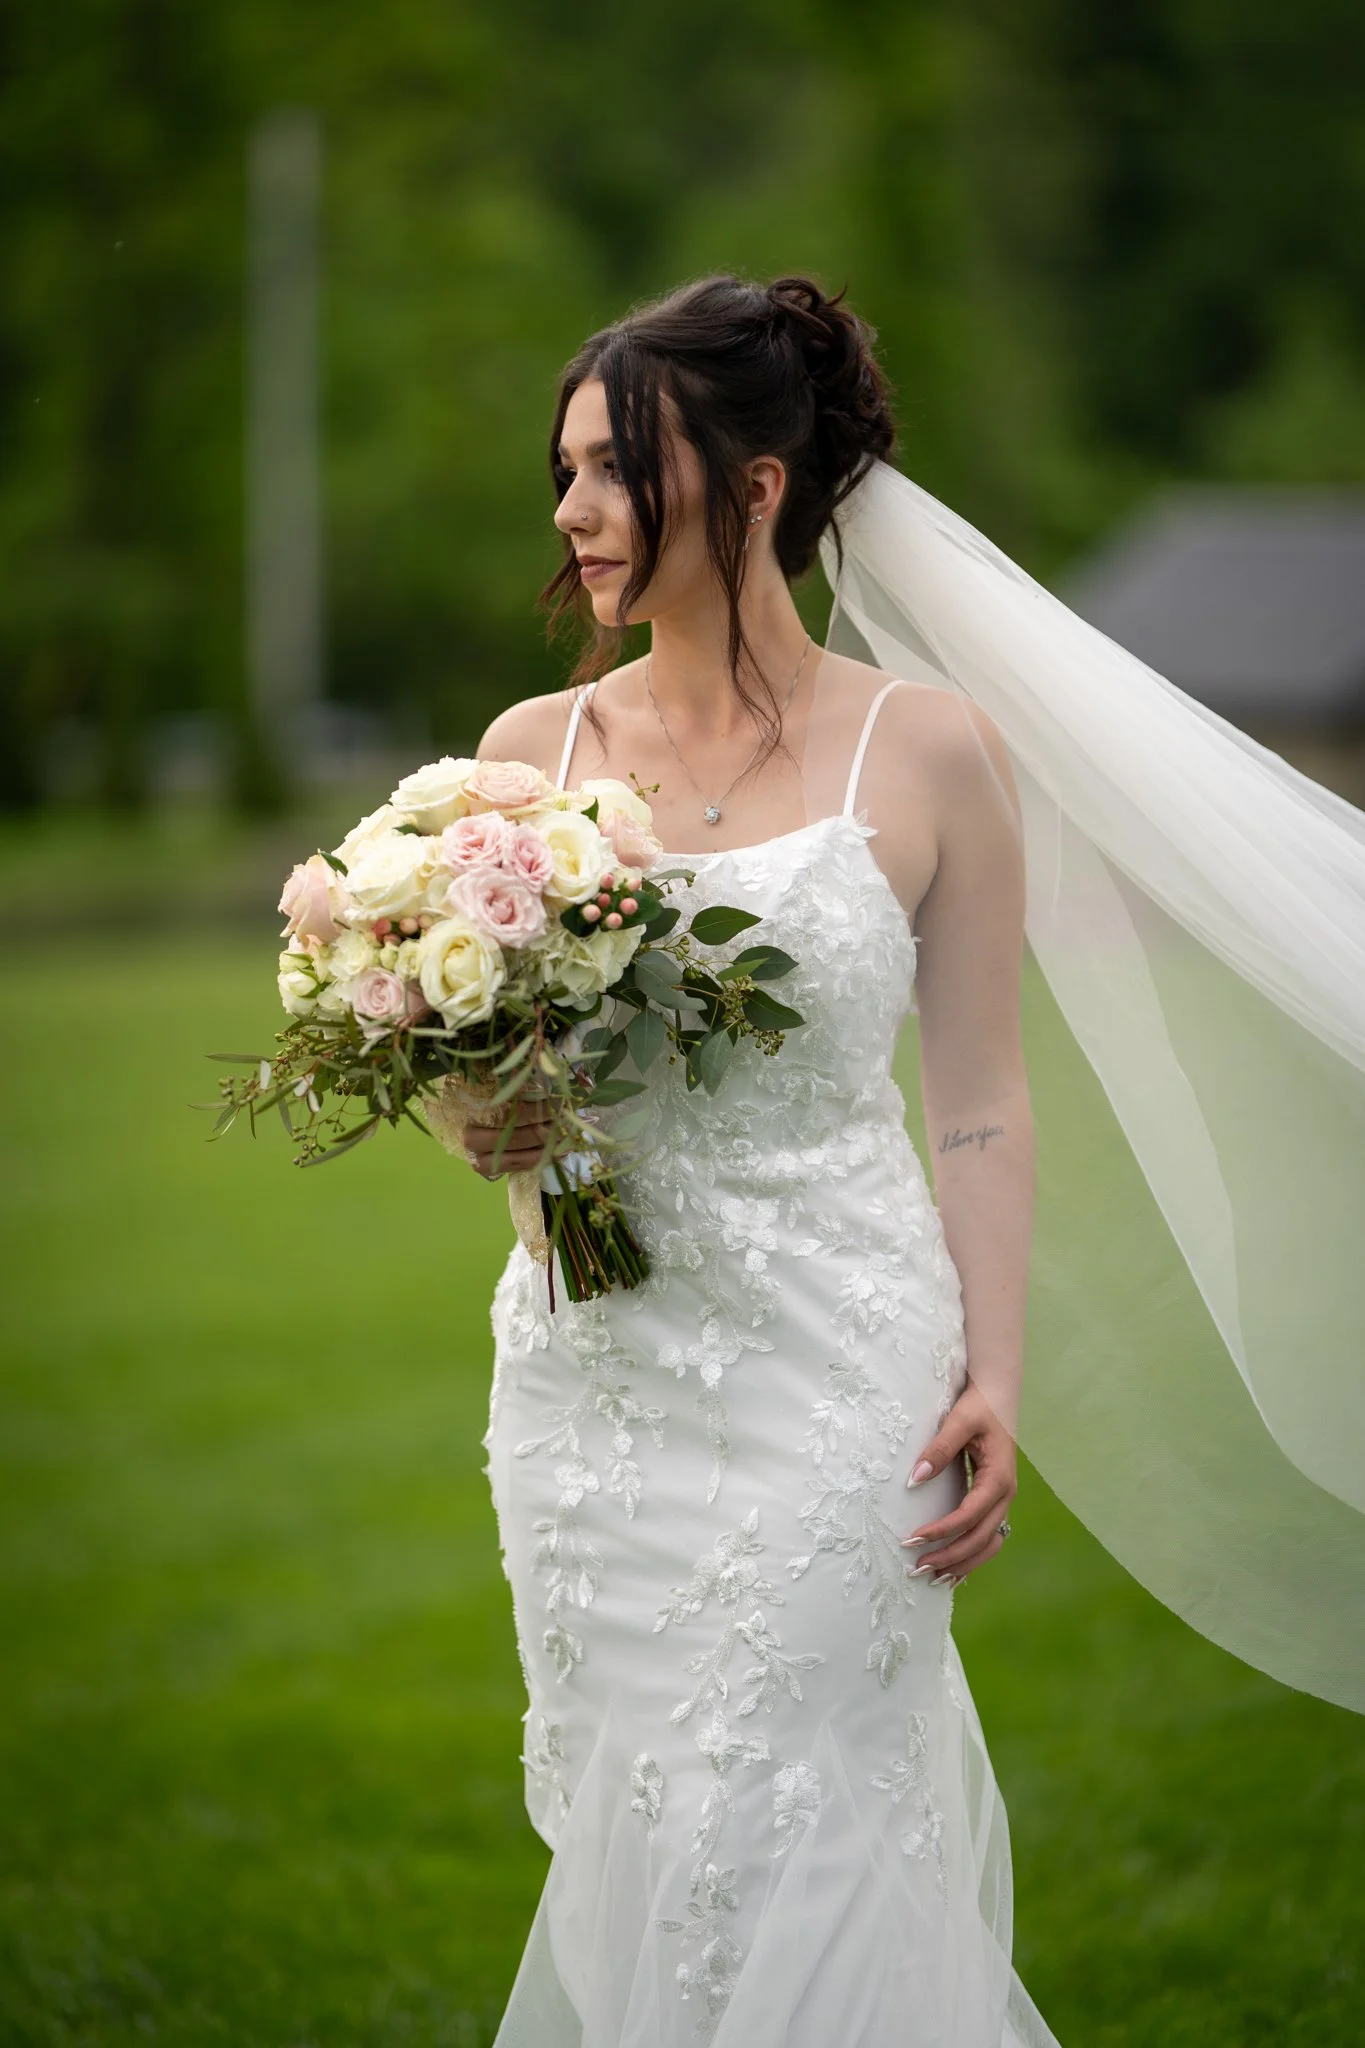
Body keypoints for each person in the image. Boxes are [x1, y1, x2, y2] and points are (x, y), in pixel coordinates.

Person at [461, 275, 1056, 2047]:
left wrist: (1000, 1369)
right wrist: (477, 1121)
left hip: (841, 1376)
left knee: (800, 1812)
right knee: (655, 1828)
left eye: (615, 470)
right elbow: (498, 1082)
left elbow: (979, 1099)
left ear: (759, 486)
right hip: (596, 1385)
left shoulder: (930, 751)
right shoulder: (523, 762)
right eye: (563, 471)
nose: (573, 514)